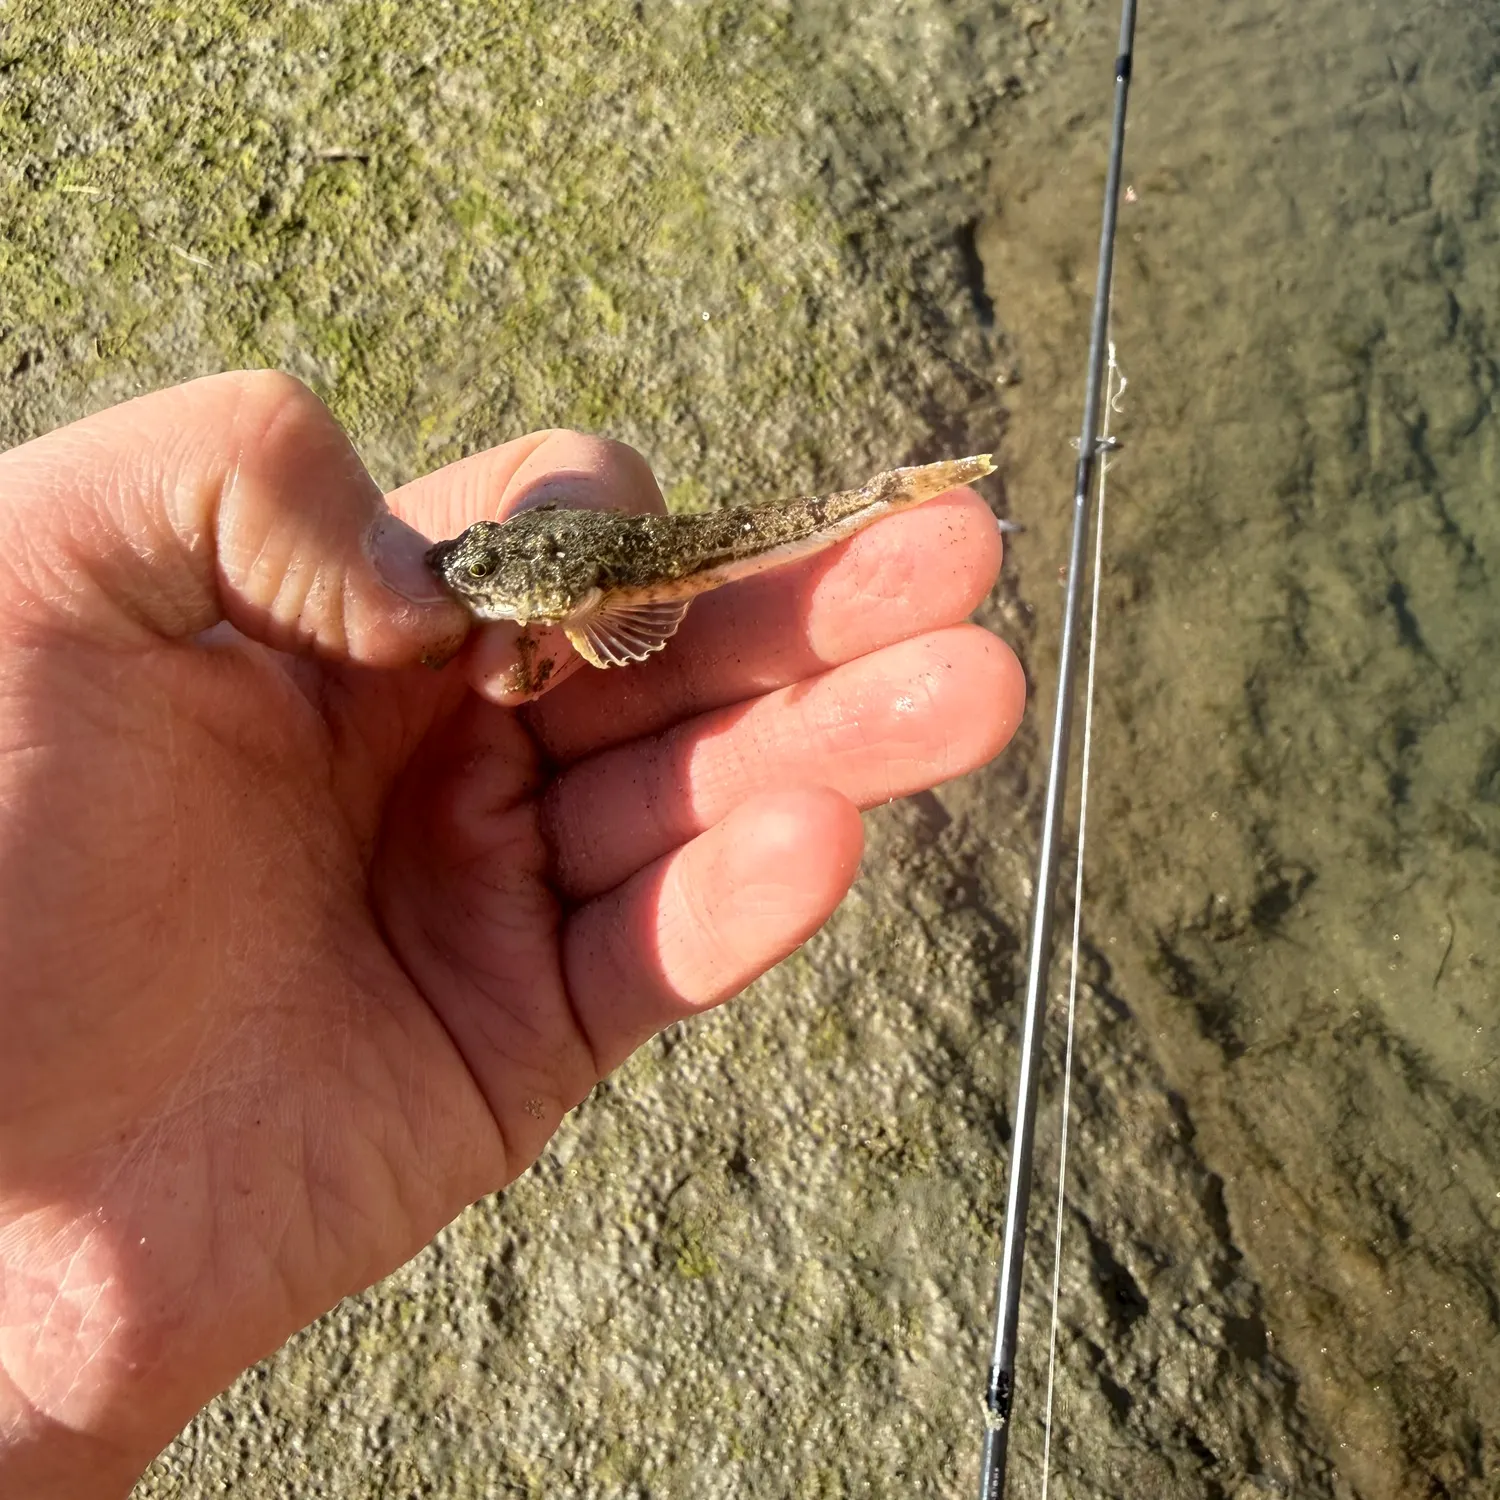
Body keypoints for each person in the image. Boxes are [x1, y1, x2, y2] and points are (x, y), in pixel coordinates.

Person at [0, 371, 1025, 1496]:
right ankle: (891, 496)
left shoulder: (587, 603)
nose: (461, 574)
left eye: (493, 568)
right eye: (481, 558)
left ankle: (893, 498)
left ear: (572, 596)